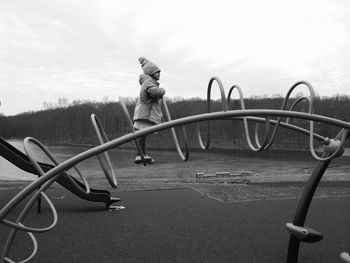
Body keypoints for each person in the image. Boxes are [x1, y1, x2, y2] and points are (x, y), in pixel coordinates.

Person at [133, 57, 165, 164]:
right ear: (151, 73)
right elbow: (153, 92)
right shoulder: (148, 83)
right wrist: (161, 91)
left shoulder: (149, 82)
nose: (159, 74)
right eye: (157, 72)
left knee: (143, 135)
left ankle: (142, 154)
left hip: (146, 113)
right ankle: (139, 154)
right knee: (141, 134)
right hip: (145, 113)